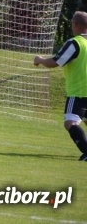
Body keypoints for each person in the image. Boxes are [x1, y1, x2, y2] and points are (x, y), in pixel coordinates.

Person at [34, 10, 87, 161]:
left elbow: (56, 62)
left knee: (71, 121)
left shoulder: (76, 43)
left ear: (75, 24)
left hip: (79, 91)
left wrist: (40, 60)